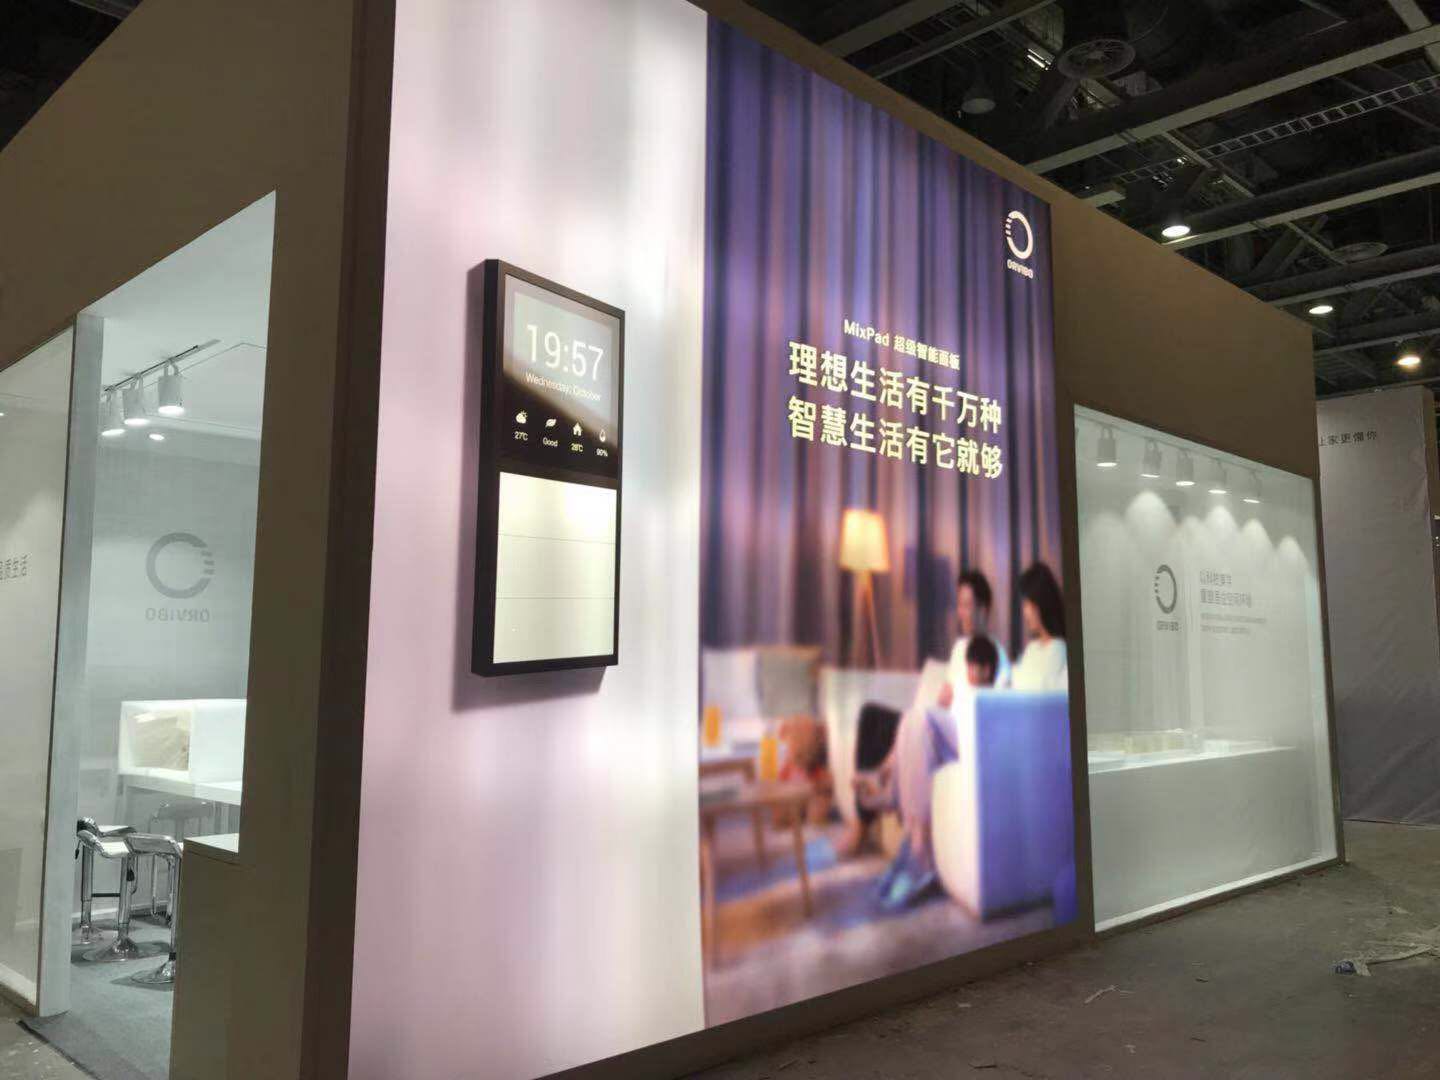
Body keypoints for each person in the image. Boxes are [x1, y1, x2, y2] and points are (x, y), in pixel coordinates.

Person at [937, 570, 1010, 710]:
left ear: (982, 610)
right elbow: (945, 696)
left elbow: (998, 705)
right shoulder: (959, 647)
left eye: (966, 606)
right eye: (959, 605)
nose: (960, 613)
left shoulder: (997, 653)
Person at [1011, 562, 1068, 692]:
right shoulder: (1032, 648)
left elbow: (1039, 688)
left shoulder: (1058, 648)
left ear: (1041, 604)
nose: (1025, 612)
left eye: (1028, 605)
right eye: (1024, 605)